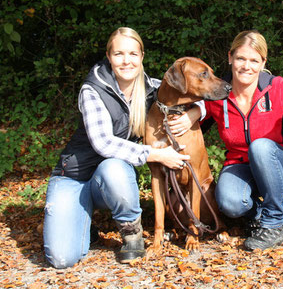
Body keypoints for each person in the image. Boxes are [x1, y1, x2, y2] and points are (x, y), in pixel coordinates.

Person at [43, 27, 203, 268]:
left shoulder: (151, 88)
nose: (126, 61)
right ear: (109, 57)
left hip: (109, 178)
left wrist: (195, 112)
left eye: (132, 54)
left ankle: (131, 233)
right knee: (62, 258)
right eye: (119, 54)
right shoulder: (93, 89)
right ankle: (80, 220)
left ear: (142, 57)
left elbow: (193, 90)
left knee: (114, 168)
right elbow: (103, 142)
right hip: (74, 177)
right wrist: (157, 154)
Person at [201, 30, 283, 251]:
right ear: (230, 57)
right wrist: (189, 114)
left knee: (260, 146)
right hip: (240, 165)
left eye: (254, 60)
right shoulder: (218, 93)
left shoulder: (276, 87)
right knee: (229, 203)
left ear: (263, 63)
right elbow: (195, 127)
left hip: (281, 165)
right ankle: (261, 214)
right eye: (241, 58)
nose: (246, 66)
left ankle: (274, 224)